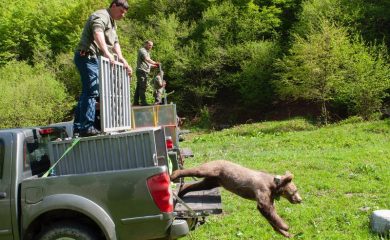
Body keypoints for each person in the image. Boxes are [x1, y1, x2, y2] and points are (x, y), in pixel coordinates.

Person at [73, 0, 132, 137]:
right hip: (86, 57)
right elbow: (97, 32)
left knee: (91, 92)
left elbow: (115, 42)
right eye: (121, 11)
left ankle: (79, 126)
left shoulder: (112, 22)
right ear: (113, 6)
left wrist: (122, 59)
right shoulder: (102, 15)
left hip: (94, 59)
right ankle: (86, 127)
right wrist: (106, 52)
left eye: (124, 13)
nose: (123, 15)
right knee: (92, 91)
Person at [133, 40, 159, 106]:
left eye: (152, 46)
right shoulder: (142, 50)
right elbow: (147, 59)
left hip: (143, 71)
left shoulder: (147, 52)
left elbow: (147, 63)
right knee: (142, 87)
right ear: (145, 44)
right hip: (141, 71)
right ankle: (143, 102)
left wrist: (154, 65)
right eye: (150, 45)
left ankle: (136, 102)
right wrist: (155, 63)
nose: (151, 47)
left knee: (139, 87)